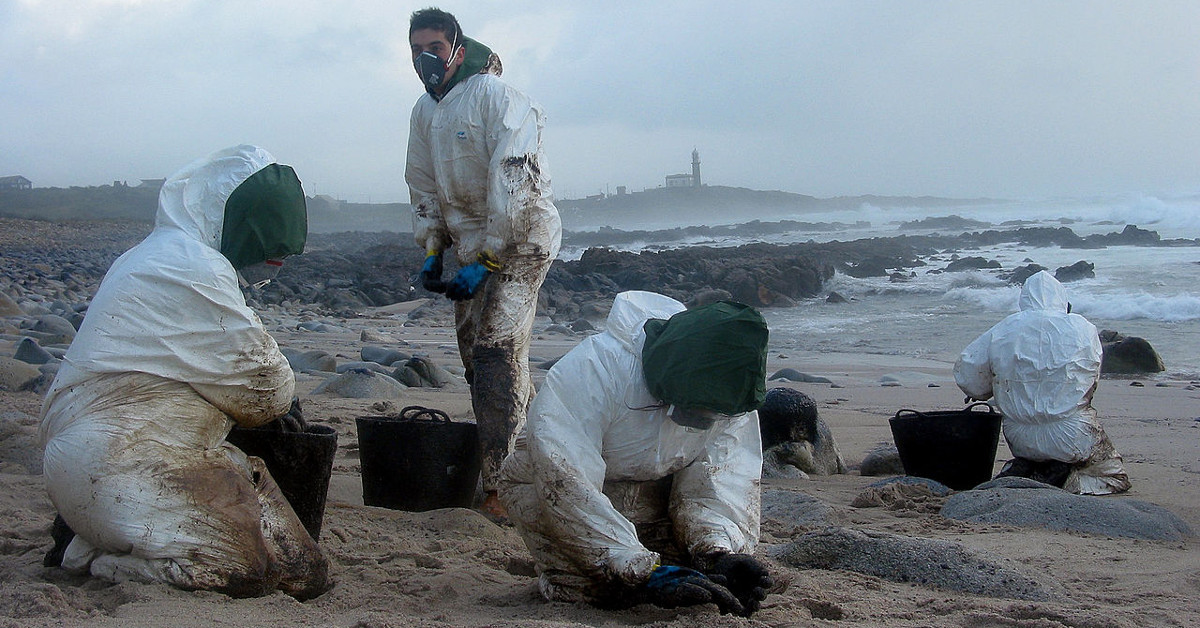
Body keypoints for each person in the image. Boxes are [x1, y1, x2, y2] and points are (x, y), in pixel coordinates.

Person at [39, 145, 330, 598]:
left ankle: (107, 534)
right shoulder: (189, 269)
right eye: (272, 250)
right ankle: (88, 555)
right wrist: (280, 399)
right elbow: (266, 391)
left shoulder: (157, 256)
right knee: (240, 572)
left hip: (166, 445)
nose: (274, 262)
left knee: (305, 571)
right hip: (116, 455)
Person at [499, 291, 774, 617]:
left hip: (653, 495)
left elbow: (718, 479)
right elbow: (565, 479)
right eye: (700, 408)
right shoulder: (593, 371)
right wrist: (640, 569)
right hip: (549, 487)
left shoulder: (732, 391)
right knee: (591, 588)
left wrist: (717, 551)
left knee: (700, 581)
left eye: (716, 414)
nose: (706, 419)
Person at [405, 7, 562, 518]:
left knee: (496, 351)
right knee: (477, 358)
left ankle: (501, 489)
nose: (425, 59)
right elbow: (422, 181)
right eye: (416, 50)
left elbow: (515, 181)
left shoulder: (499, 98)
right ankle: (536, 452)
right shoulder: (425, 112)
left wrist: (491, 256)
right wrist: (433, 248)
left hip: (522, 241)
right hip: (475, 248)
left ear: (456, 47)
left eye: (433, 48)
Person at [954, 270, 1130, 495]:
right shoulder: (1083, 327)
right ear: (1062, 299)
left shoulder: (1004, 328)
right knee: (1113, 477)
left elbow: (970, 378)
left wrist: (991, 388)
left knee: (1035, 452)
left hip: (1019, 436)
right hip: (1072, 432)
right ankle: (1064, 478)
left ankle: (1030, 467)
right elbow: (1091, 380)